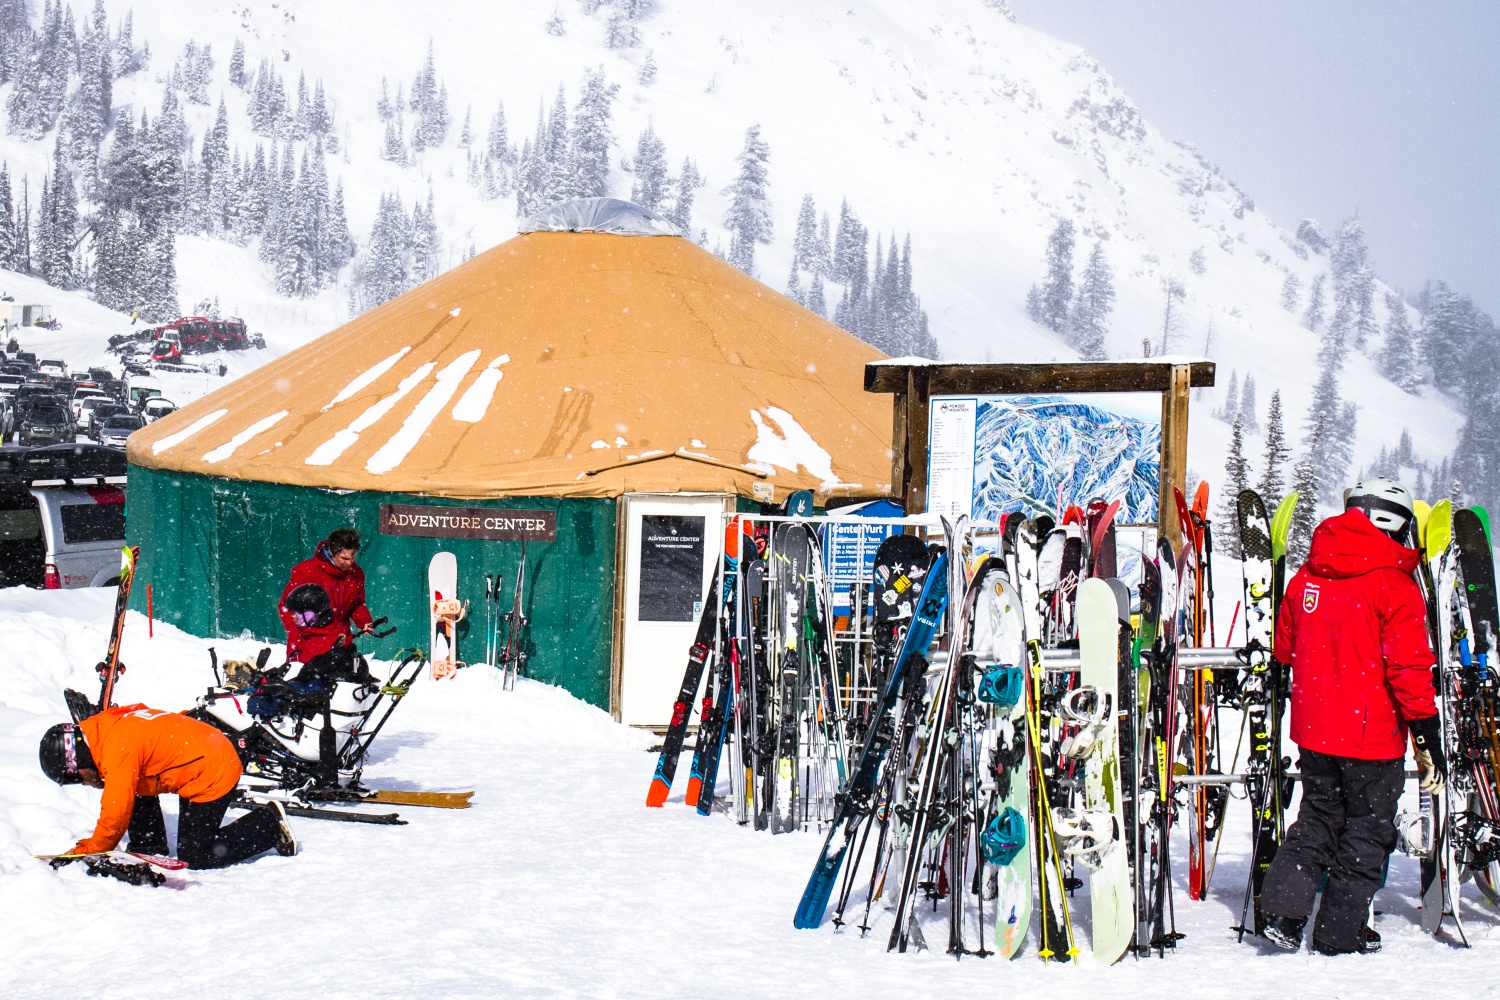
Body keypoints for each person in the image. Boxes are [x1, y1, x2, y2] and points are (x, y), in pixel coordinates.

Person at [1258, 477, 1444, 955]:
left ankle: (1283, 912)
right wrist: (1425, 731)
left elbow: (1284, 647)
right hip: (1372, 737)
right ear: (1396, 526)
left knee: (1317, 818)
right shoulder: (1394, 585)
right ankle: (1340, 933)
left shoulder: (1309, 576)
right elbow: (1408, 669)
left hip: (1315, 729)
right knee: (1366, 831)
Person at [39, 703, 297, 868]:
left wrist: (93, 848)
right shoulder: (101, 729)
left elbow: (116, 810)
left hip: (213, 771)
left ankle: (268, 825)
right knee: (133, 784)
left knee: (197, 855)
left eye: (78, 779)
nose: (85, 783)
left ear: (77, 764)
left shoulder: (116, 750)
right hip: (201, 752)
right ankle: (149, 844)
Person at [279, 527, 375, 665]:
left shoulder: (356, 573)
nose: (349, 563)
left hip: (342, 644)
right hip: (309, 647)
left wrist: (364, 621)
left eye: (353, 558)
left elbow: (357, 603)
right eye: (344, 558)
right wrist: (298, 636)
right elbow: (286, 607)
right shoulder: (306, 571)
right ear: (331, 552)